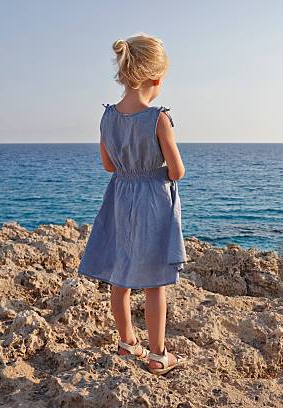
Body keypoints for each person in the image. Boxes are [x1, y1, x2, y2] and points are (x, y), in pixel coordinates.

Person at [78, 33, 187, 375]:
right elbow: (177, 171)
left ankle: (127, 344)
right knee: (155, 282)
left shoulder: (107, 117)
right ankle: (158, 355)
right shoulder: (158, 118)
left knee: (119, 274)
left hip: (120, 196)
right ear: (156, 78)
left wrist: (129, 167)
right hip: (153, 198)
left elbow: (108, 166)